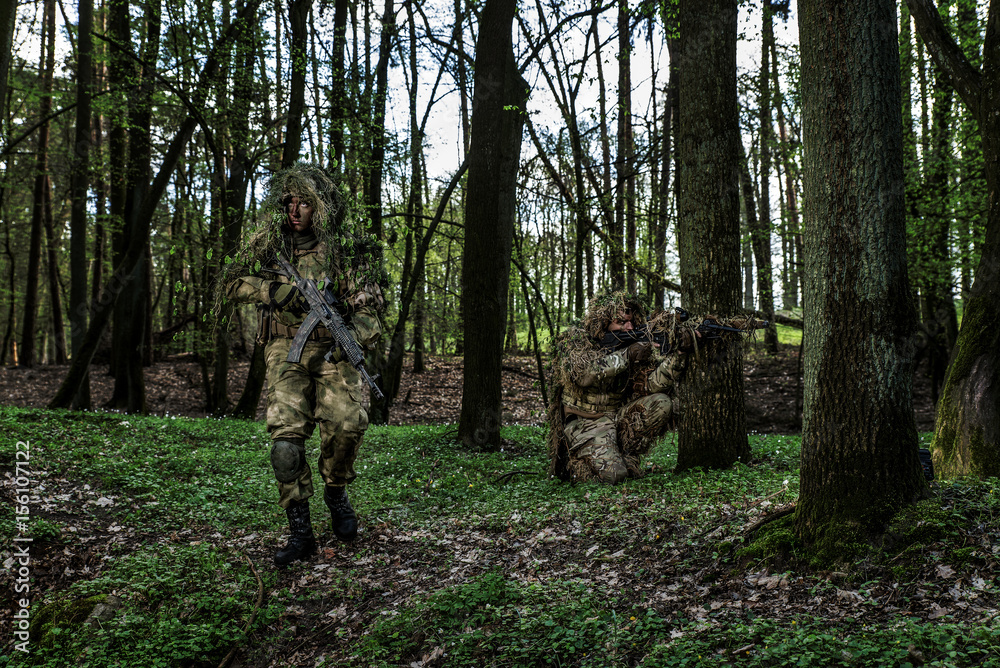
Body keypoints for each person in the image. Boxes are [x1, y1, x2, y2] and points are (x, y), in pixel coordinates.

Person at [220, 163, 385, 565]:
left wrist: (356, 339)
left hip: (333, 349)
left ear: (320, 208)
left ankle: (335, 490)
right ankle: (300, 532)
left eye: (304, 203)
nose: (295, 210)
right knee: (285, 446)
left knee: (348, 425)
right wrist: (270, 289)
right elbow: (230, 282)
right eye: (289, 202)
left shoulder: (345, 250)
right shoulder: (266, 246)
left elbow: (369, 306)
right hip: (284, 348)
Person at [548, 291, 694, 484]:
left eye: (631, 322)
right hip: (585, 423)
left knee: (662, 403)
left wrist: (680, 353)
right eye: (621, 322)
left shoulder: (632, 344)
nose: (629, 327)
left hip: (616, 418)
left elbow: (651, 385)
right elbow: (583, 375)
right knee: (615, 476)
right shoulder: (575, 341)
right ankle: (579, 465)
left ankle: (624, 456)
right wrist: (627, 356)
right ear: (603, 322)